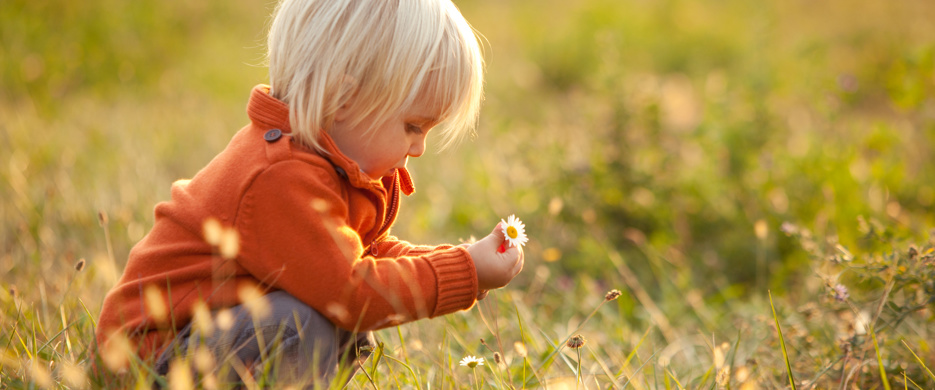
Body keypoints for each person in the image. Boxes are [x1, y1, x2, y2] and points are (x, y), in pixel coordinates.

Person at [94, 0, 525, 386]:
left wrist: (459, 261)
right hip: (147, 368)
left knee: (321, 319)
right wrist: (466, 270)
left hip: (207, 340)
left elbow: (361, 257)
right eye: (413, 126)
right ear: (341, 98)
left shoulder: (323, 160)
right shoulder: (278, 177)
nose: (419, 147)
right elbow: (352, 290)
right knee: (303, 323)